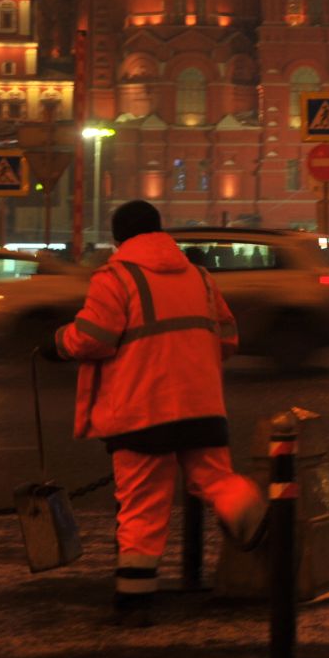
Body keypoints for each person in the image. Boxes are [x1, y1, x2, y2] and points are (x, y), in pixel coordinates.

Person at [42, 200, 265, 628]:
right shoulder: (199, 277)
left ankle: (135, 600)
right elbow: (229, 337)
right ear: (161, 232)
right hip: (202, 405)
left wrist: (57, 342)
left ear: (118, 239)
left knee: (143, 504)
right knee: (214, 479)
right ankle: (255, 515)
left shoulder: (116, 276)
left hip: (141, 410)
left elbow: (93, 338)